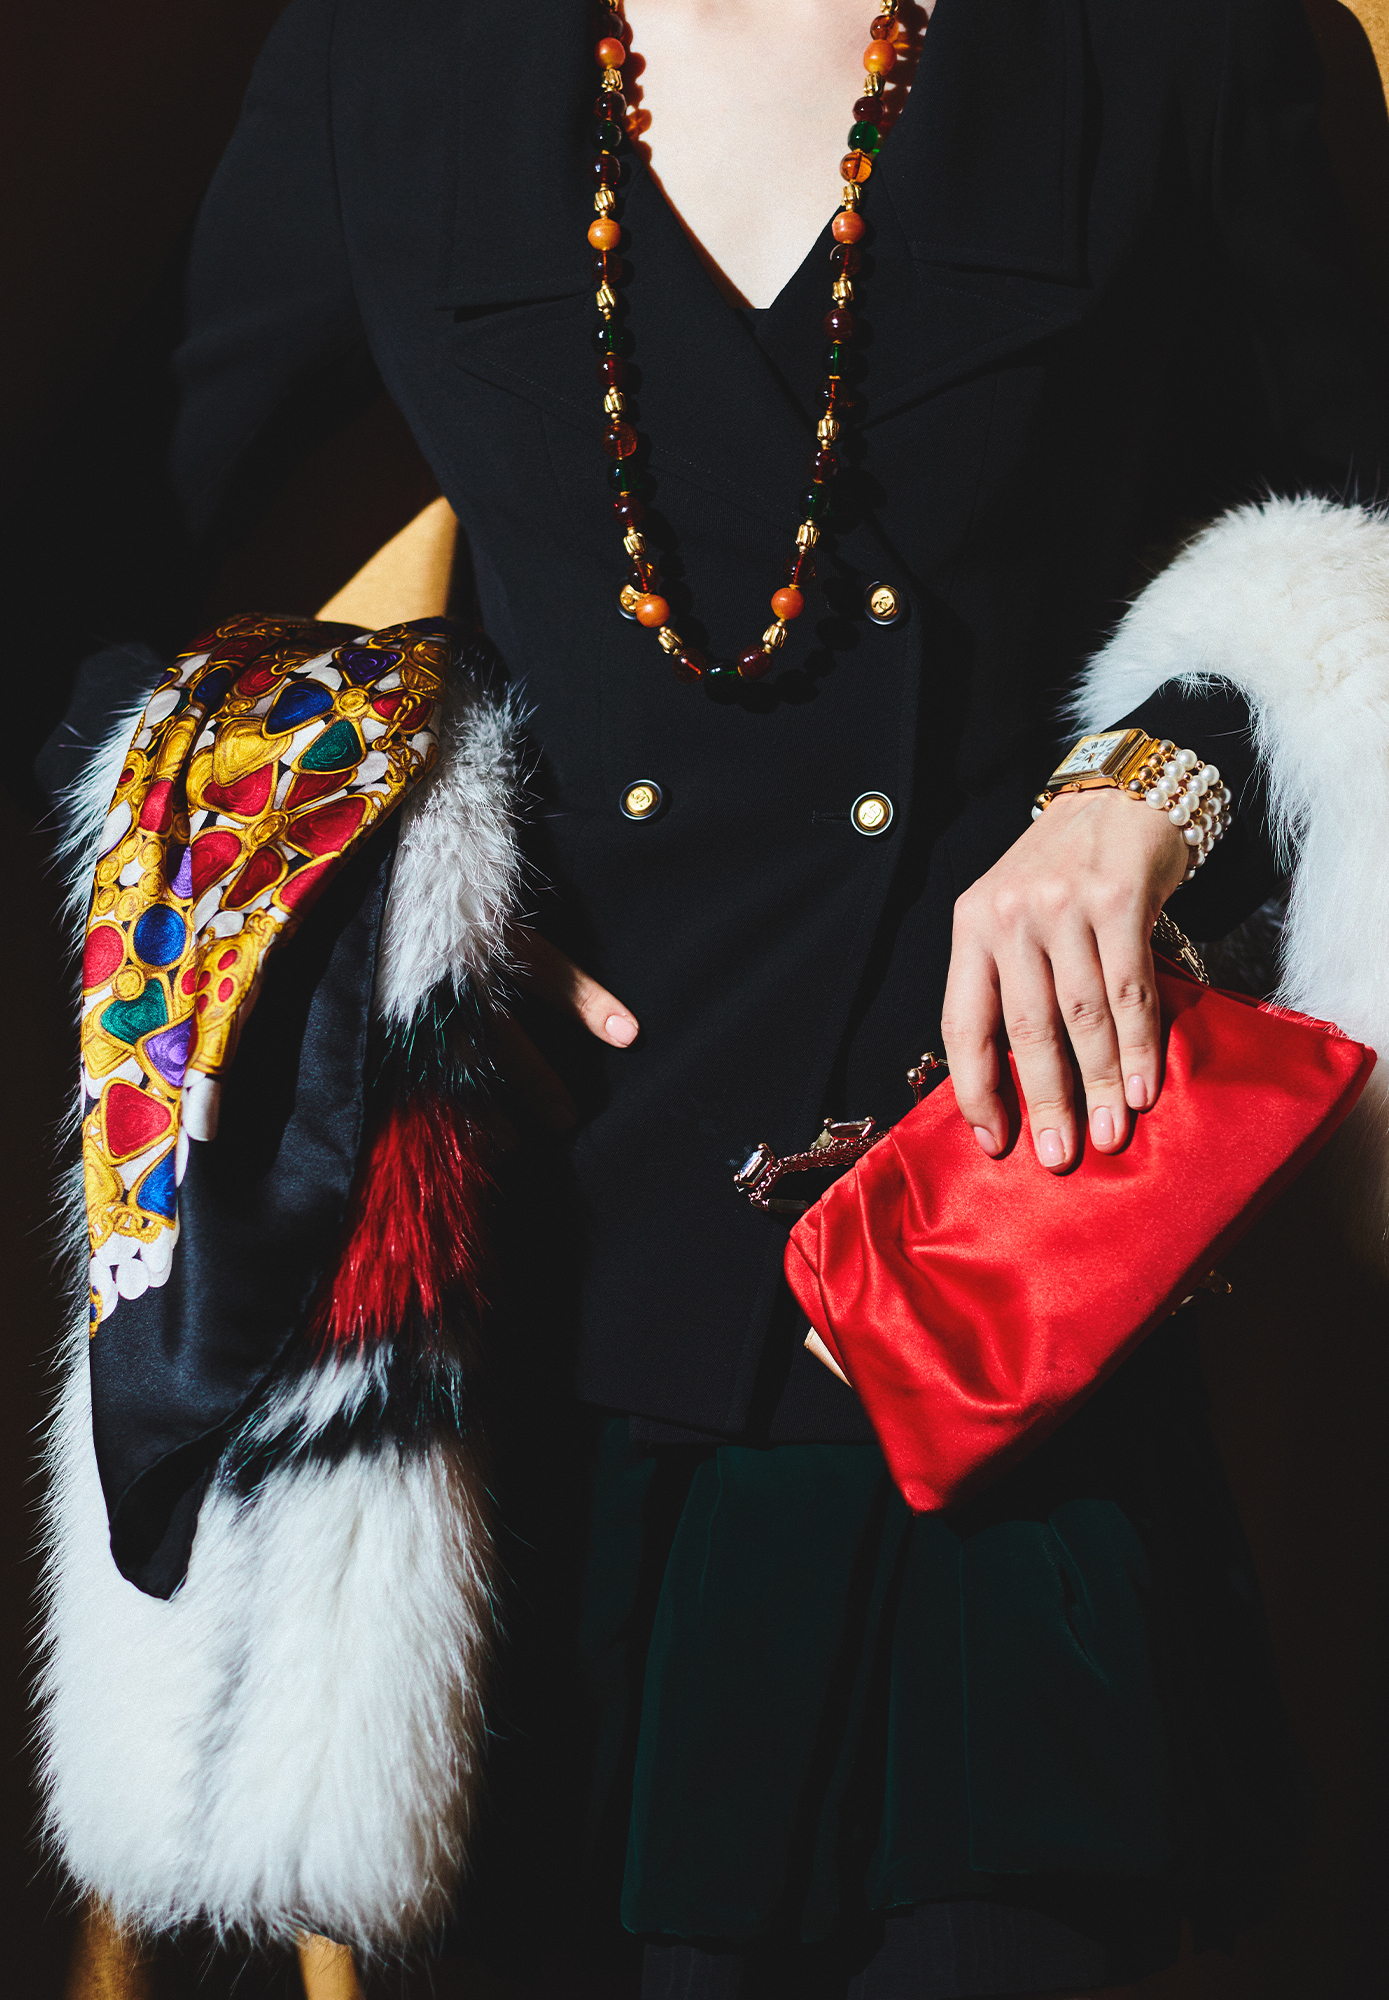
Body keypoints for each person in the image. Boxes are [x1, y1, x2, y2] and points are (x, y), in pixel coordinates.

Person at [37, 2, 1389, 1996]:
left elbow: (1359, 550)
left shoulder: (1180, 43)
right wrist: (364, 912)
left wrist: (1155, 779)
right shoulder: (394, 65)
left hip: (993, 1327)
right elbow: (63, 582)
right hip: (535, 1393)